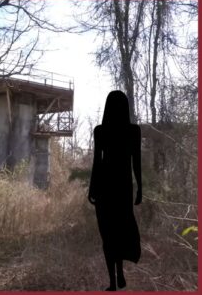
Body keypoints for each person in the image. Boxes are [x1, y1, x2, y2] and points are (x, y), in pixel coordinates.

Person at [88, 90, 142, 291]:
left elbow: (97, 162)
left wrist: (92, 188)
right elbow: (136, 162)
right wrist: (140, 189)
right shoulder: (133, 131)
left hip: (104, 187)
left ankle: (113, 280)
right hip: (123, 188)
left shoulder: (100, 130)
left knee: (108, 234)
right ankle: (119, 275)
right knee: (119, 231)